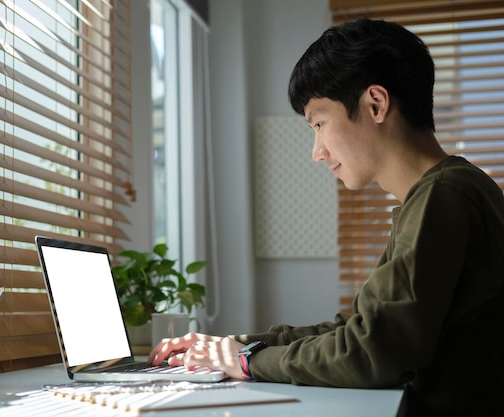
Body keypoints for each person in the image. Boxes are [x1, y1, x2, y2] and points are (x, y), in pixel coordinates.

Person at [148, 18, 504, 416]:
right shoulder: (442, 192)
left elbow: (371, 351)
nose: (317, 151)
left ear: (375, 104)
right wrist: (235, 344)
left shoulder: (443, 197)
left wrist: (246, 361)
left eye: (319, 123)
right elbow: (358, 330)